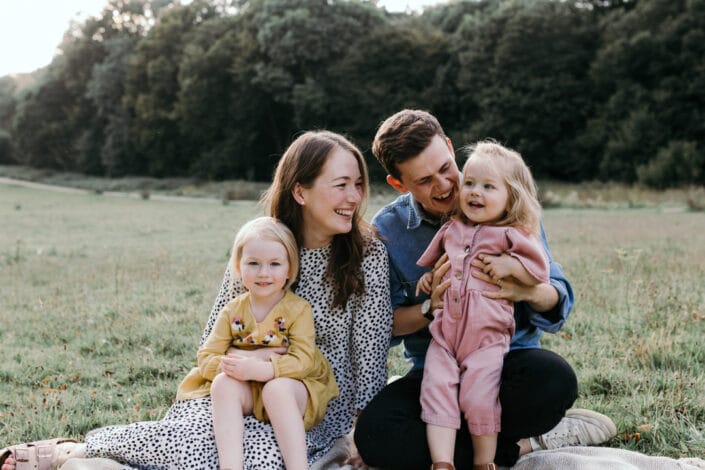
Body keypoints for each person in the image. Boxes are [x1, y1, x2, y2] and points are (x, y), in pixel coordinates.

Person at [1, 130, 392, 470]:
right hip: (235, 388)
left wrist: (364, 429)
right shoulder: (261, 248)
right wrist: (239, 371)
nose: (355, 197)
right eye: (341, 184)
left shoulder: (367, 255)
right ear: (300, 191)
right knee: (201, 441)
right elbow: (213, 339)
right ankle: (75, 450)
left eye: (359, 184)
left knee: (268, 458)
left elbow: (371, 355)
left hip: (312, 403)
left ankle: (88, 457)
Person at [354, 109, 616, 470]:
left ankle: (464, 440)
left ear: (449, 146)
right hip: (437, 365)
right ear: (399, 184)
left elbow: (558, 297)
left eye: (446, 168)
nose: (445, 185)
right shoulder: (387, 230)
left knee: (553, 381)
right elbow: (386, 326)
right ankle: (514, 449)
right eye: (425, 180)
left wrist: (525, 289)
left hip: (506, 362)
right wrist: (430, 306)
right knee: (375, 435)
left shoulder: (507, 203)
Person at [416, 141, 550, 470]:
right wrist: (428, 281)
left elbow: (539, 273)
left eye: (488, 187)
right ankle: (442, 462)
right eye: (471, 183)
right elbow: (437, 265)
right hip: (444, 337)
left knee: (479, 397)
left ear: (511, 197)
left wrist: (512, 267)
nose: (475, 192)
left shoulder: (514, 235)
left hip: (486, 339)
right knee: (437, 391)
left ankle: (483, 461)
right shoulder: (452, 228)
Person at [176, 216, 339, 470]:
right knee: (222, 384)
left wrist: (265, 368)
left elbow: (304, 360)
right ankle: (231, 466)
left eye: (274, 264)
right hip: (250, 389)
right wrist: (246, 364)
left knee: (276, 389)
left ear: (289, 269)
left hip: (292, 389)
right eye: (253, 263)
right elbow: (207, 356)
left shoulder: (297, 309)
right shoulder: (232, 310)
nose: (264, 273)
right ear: (239, 268)